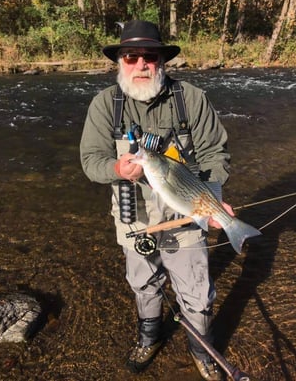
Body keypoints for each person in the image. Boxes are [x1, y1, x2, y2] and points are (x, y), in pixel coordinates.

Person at [80, 20, 233, 381]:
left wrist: (213, 202)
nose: (141, 64)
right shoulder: (104, 105)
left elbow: (215, 155)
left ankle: (202, 351)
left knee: (197, 294)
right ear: (120, 61)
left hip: (186, 214)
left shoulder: (192, 99)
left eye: (150, 56)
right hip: (134, 220)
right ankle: (149, 337)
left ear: (162, 61)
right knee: (144, 285)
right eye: (132, 56)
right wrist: (117, 167)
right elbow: (91, 162)